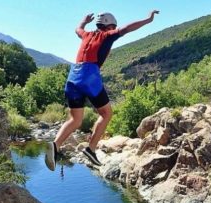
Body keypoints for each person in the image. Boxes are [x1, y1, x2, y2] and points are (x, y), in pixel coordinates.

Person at [45, 10, 159, 171]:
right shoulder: (106, 36)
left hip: (72, 78)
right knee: (106, 114)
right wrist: (148, 19)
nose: (115, 29)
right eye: (113, 26)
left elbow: (77, 29)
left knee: (75, 120)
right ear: (109, 25)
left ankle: (55, 145)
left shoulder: (85, 35)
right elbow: (127, 28)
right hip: (89, 77)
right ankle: (90, 149)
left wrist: (84, 21)